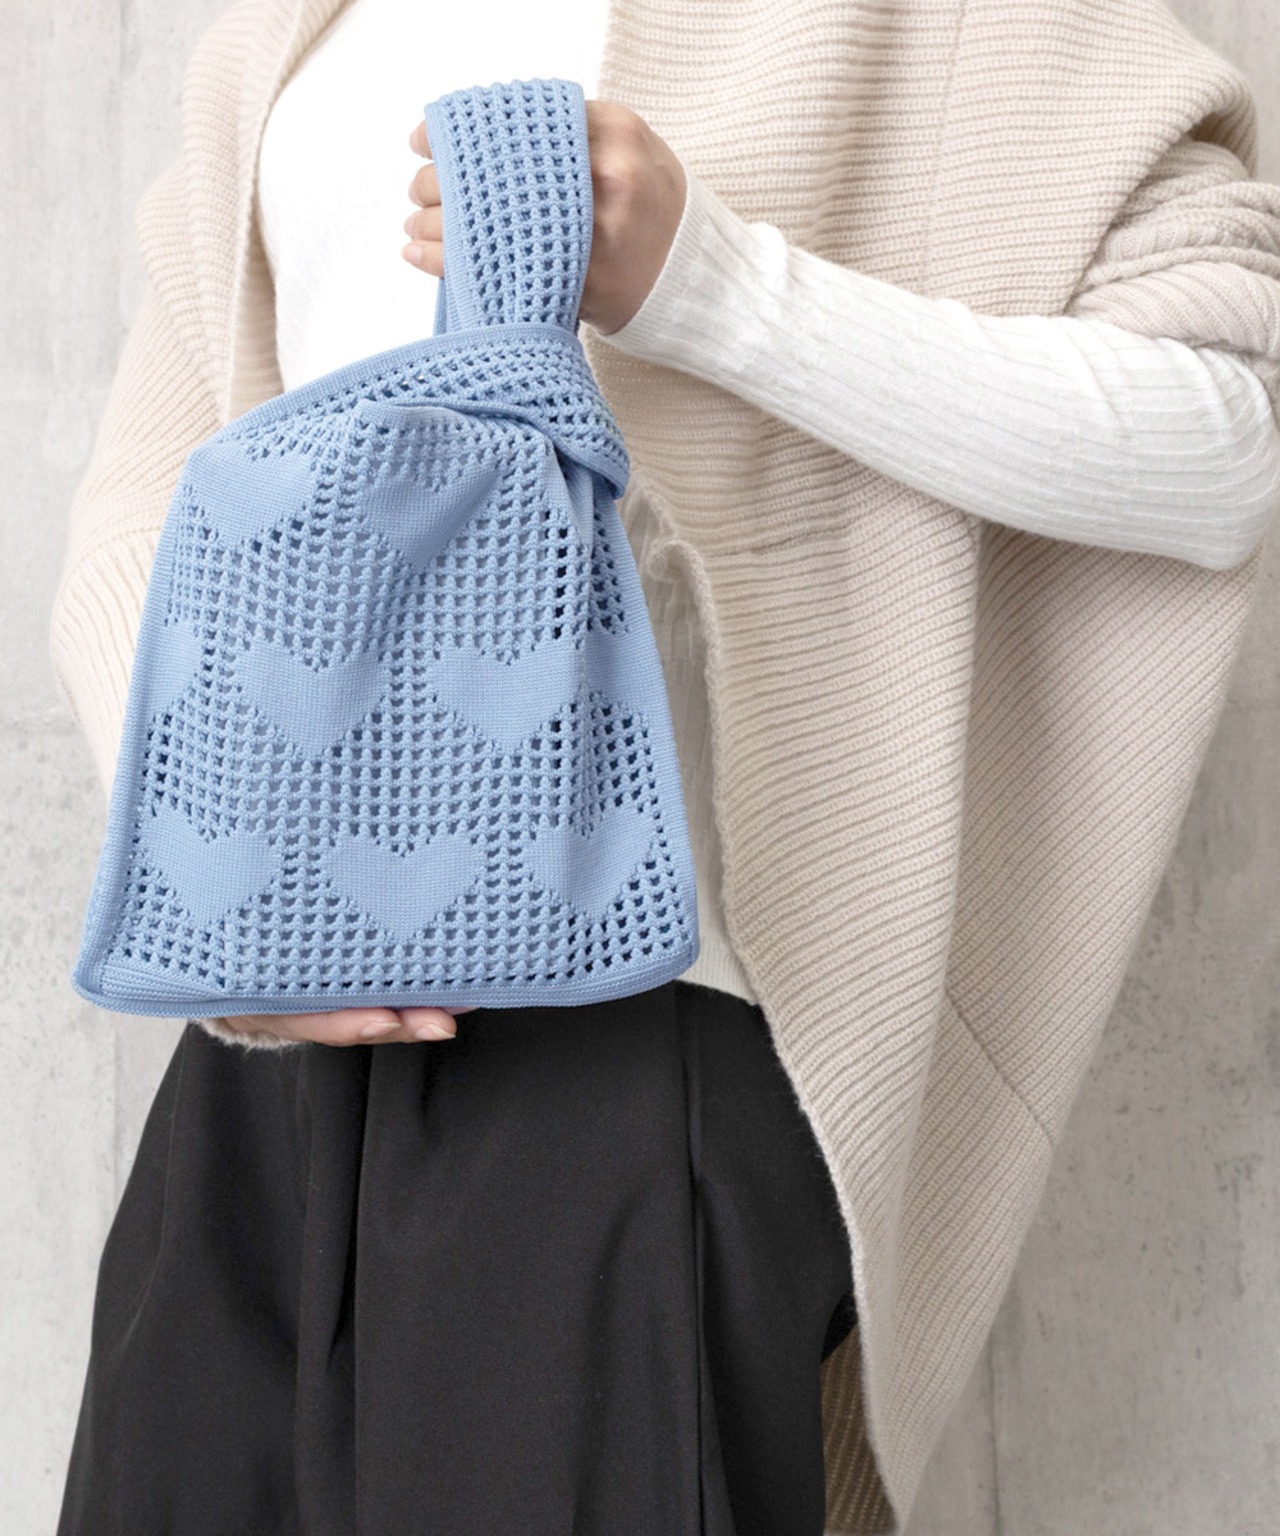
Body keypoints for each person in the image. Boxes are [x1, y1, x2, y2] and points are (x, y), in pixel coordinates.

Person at [49, 0, 1280, 1531]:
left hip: (643, 1053)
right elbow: (148, 504)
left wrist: (713, 285)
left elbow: (1227, 437)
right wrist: (232, 897)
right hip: (274, 1056)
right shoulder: (282, 32)